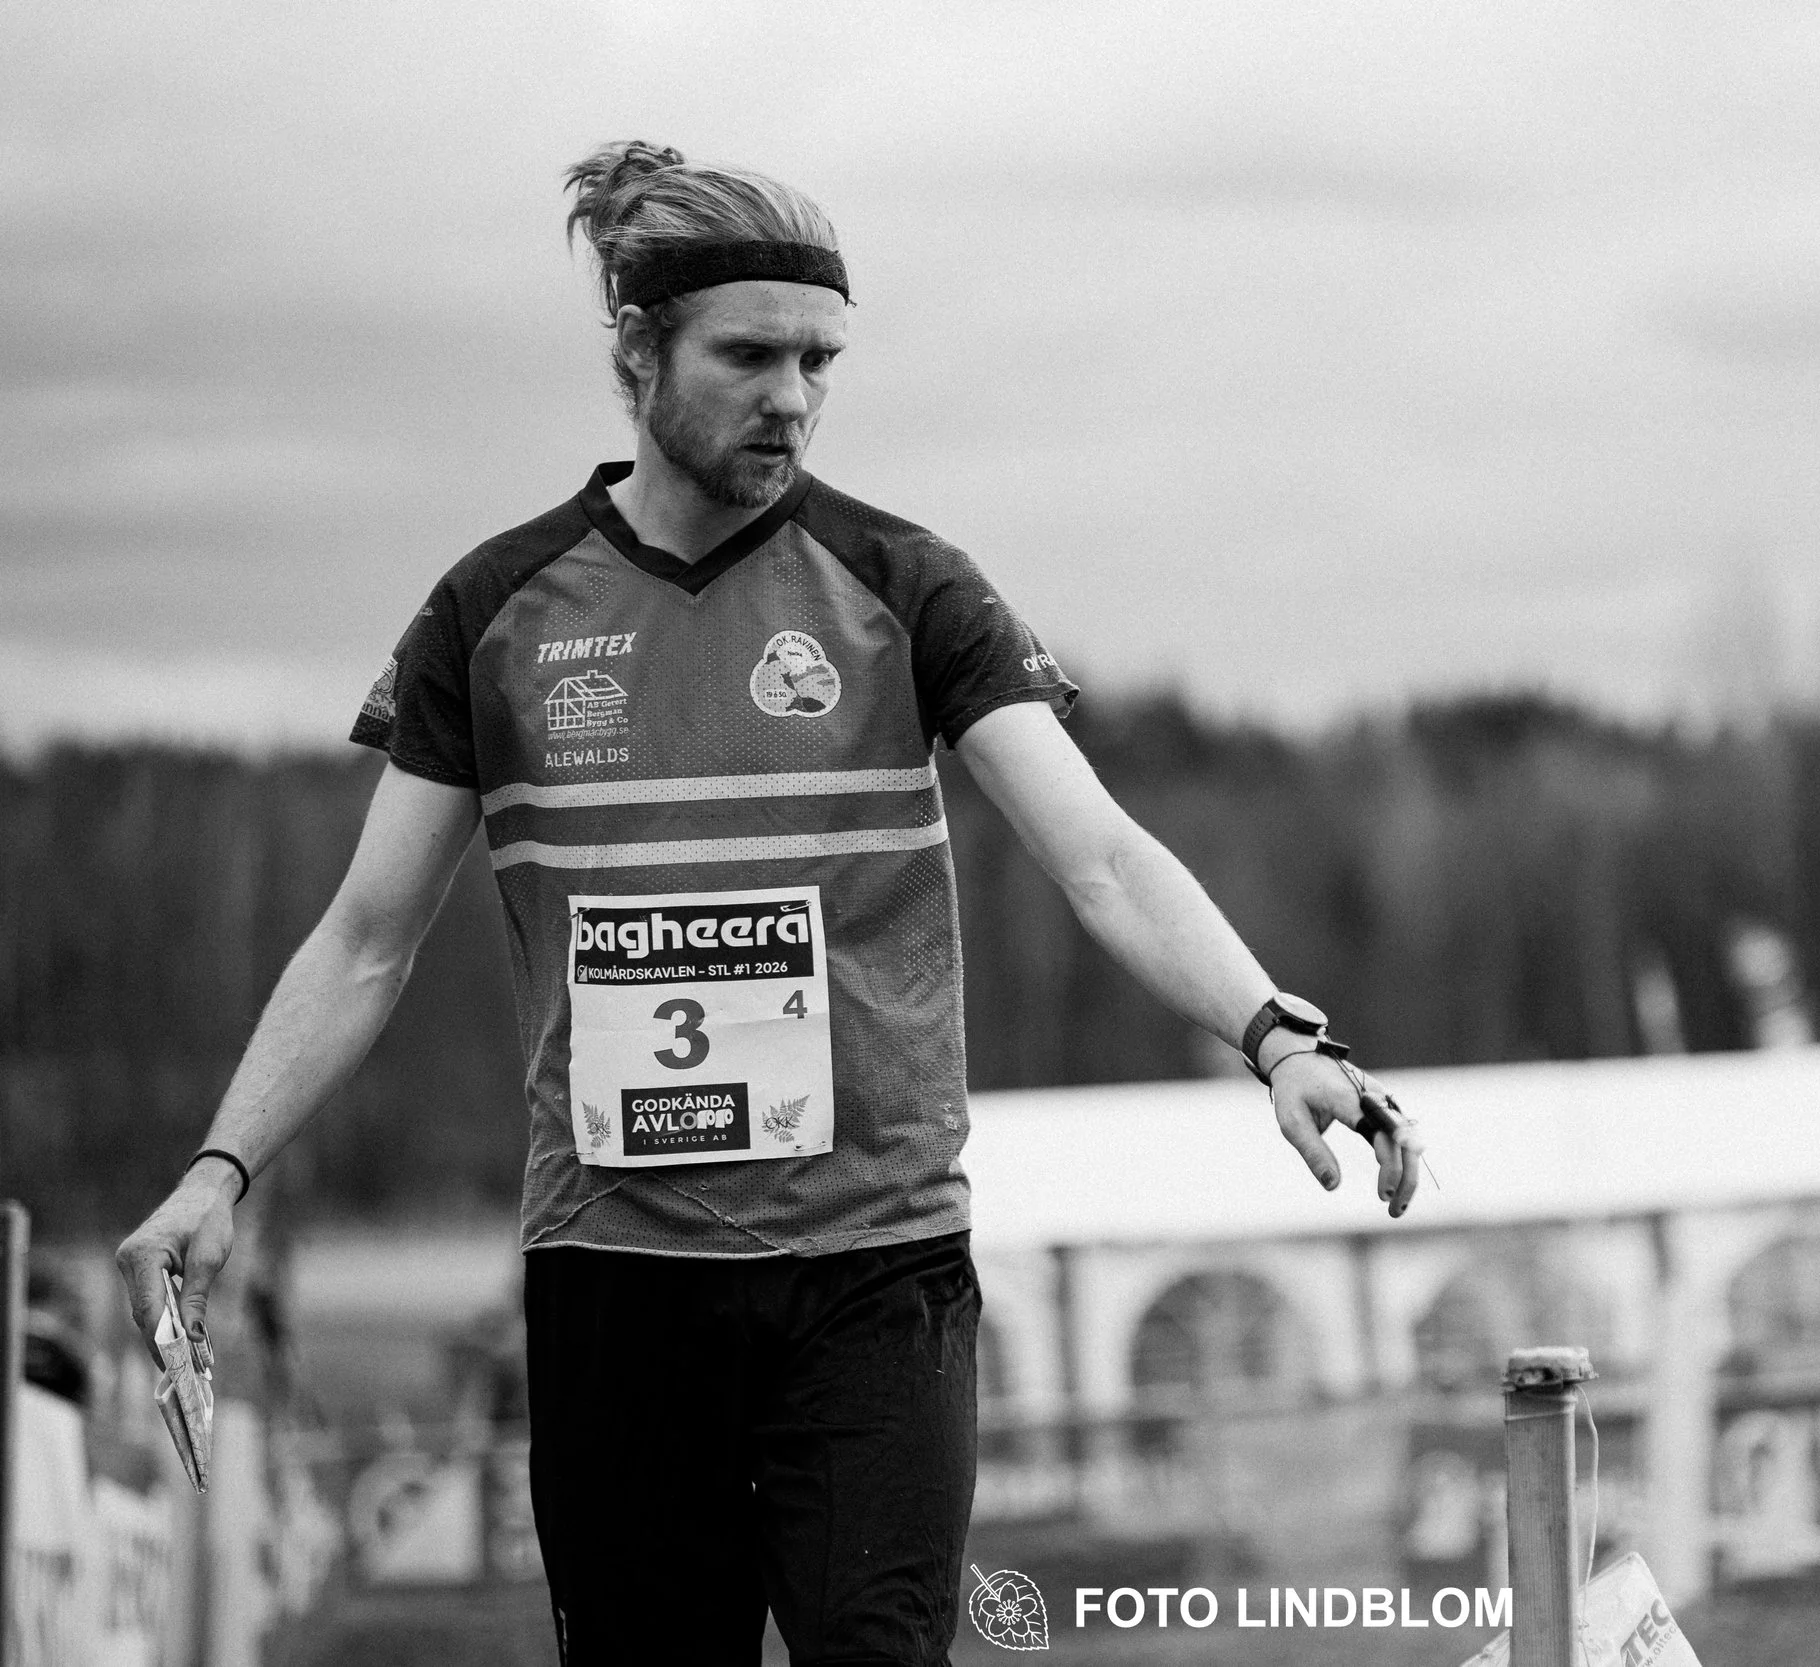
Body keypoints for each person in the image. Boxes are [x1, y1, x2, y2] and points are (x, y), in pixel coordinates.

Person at [113, 140, 1423, 1667]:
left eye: (820, 359)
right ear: (635, 352)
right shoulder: (493, 613)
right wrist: (222, 1165)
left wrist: (1274, 1033)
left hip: (873, 1276)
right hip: (618, 1282)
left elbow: (1104, 855)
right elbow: (365, 938)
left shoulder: (906, 584)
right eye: (748, 355)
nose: (792, 395)